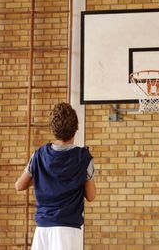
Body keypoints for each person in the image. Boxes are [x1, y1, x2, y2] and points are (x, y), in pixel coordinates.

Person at [15, 102, 96, 250]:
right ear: (76, 127)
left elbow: (19, 185)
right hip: (68, 229)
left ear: (52, 129)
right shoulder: (84, 158)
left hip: (43, 228)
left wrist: (45, 179)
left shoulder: (38, 155)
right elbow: (90, 196)